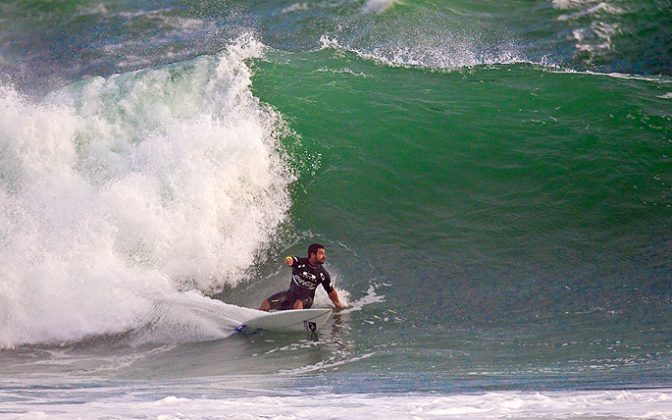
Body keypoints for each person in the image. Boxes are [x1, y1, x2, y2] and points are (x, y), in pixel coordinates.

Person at [259, 243, 346, 311]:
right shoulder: (301, 263)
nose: (324, 256)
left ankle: (293, 324)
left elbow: (330, 291)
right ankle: (258, 327)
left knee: (298, 303)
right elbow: (292, 259)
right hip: (290, 295)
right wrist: (289, 260)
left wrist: (338, 304)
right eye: (321, 253)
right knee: (266, 303)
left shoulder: (323, 274)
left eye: (324, 254)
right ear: (312, 255)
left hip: (306, 300)